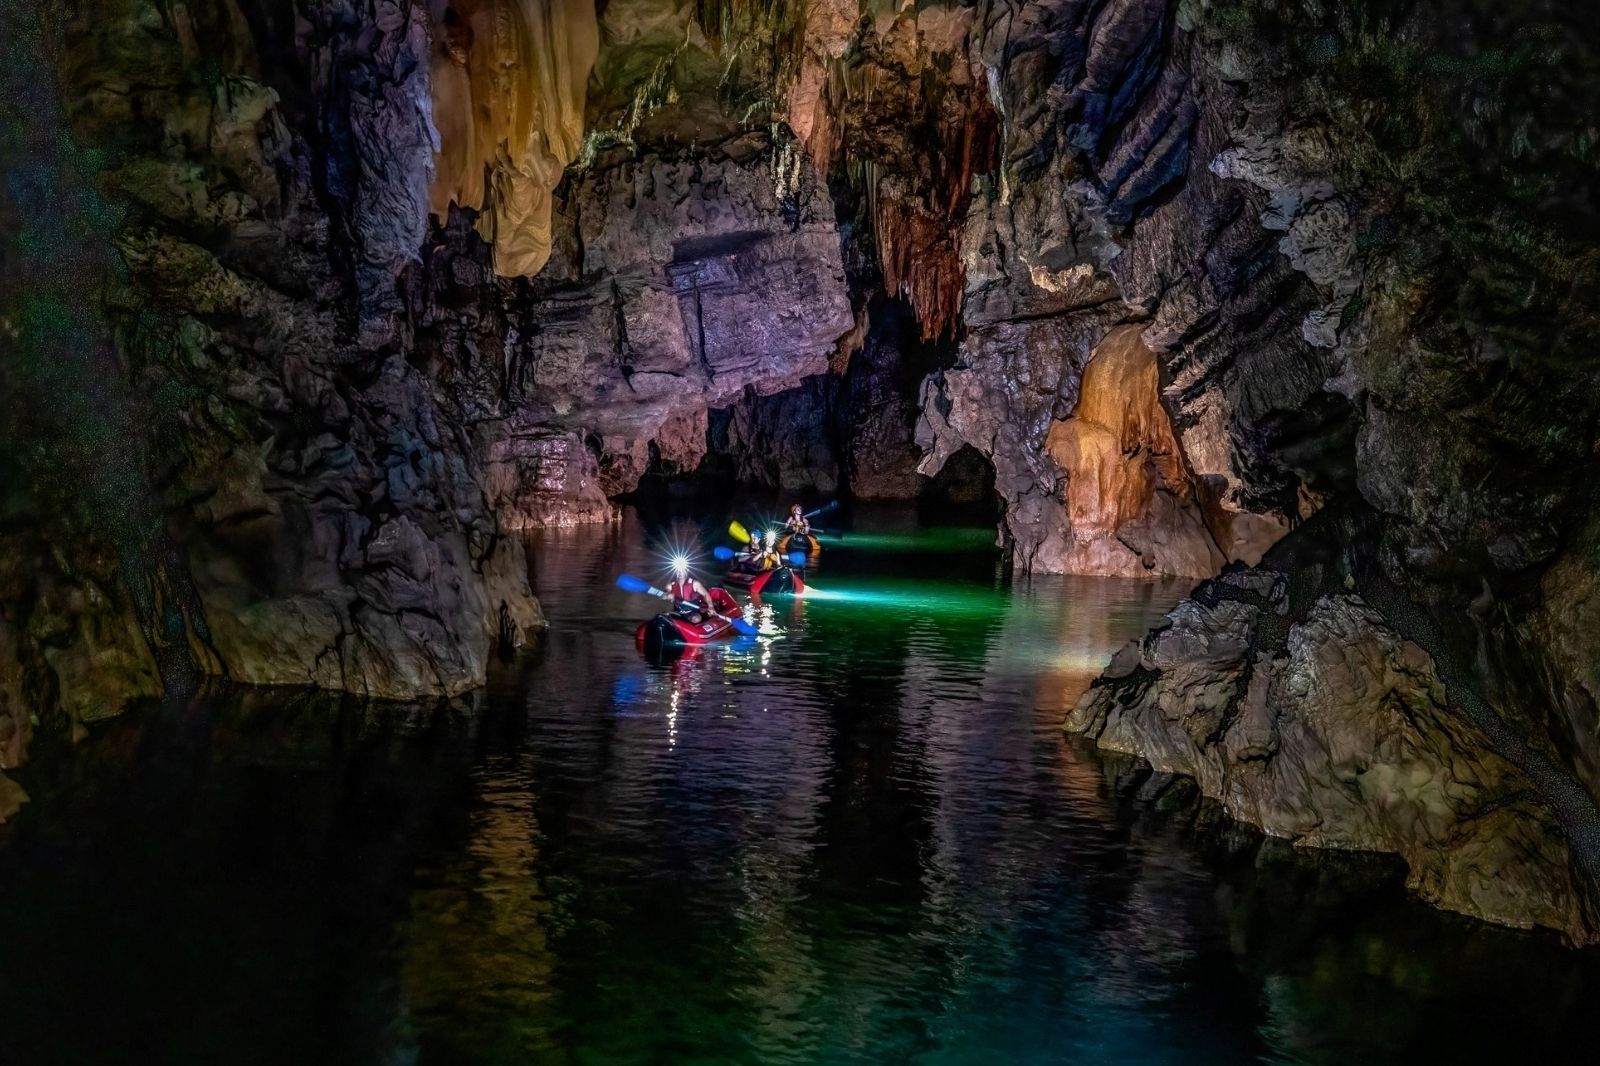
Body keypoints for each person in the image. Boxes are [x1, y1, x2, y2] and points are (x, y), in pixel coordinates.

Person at [668, 557, 712, 622]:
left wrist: (711, 607)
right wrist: (668, 595)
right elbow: (666, 595)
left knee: (696, 619)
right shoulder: (670, 585)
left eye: (682, 570)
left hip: (694, 612)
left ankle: (705, 616)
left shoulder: (695, 583)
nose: (680, 573)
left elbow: (706, 595)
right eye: (677, 571)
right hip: (679, 612)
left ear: (687, 570)